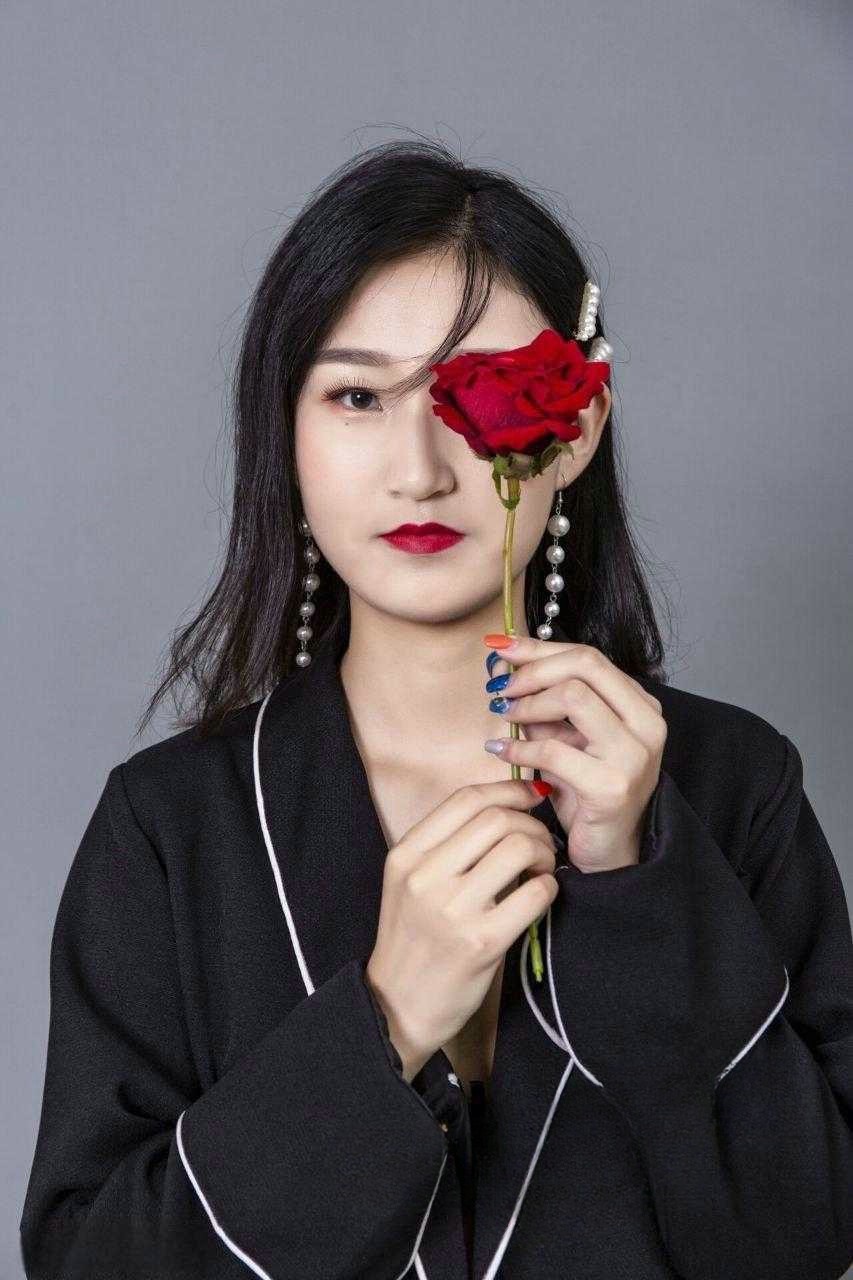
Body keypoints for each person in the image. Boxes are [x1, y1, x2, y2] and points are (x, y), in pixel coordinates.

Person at [19, 137, 853, 1280]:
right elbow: (92, 1262)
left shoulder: (732, 781)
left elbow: (802, 1238)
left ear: (575, 432)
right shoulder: (169, 826)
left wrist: (639, 886)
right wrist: (386, 1015)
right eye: (357, 395)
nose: (418, 468)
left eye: (476, 394)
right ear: (286, 433)